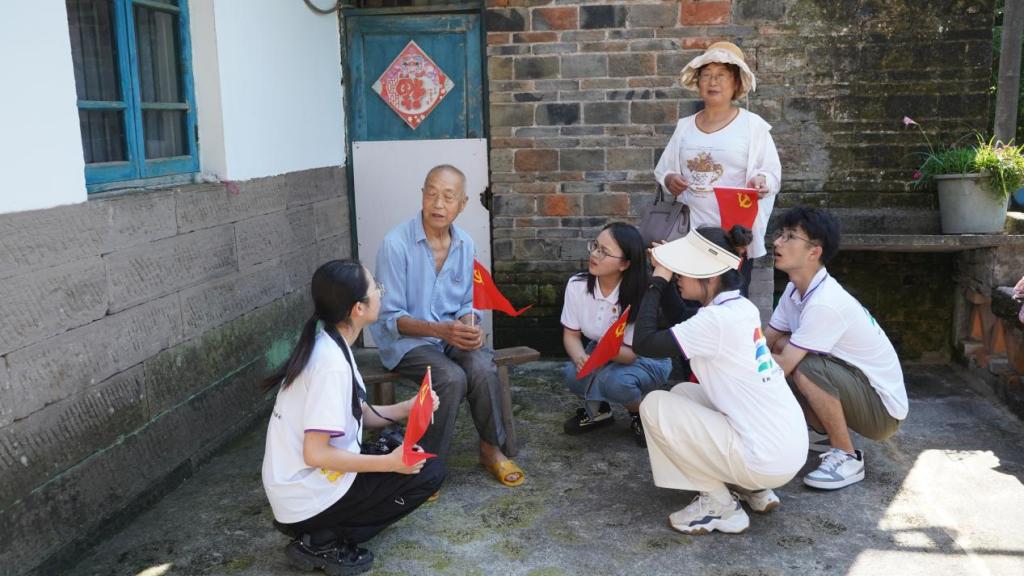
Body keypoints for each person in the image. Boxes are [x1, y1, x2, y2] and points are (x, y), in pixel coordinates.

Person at [261, 260, 444, 575]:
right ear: (359, 308)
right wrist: (390, 464)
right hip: (305, 498)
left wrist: (409, 407)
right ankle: (322, 540)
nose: (381, 294)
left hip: (302, 488)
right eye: (376, 288)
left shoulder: (331, 343)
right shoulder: (330, 364)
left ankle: (324, 528)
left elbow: (358, 413)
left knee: (407, 453)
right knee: (428, 473)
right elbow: (315, 453)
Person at [632, 226, 807, 535]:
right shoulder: (740, 307)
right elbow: (681, 321)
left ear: (709, 276)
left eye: (683, 271)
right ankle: (752, 488)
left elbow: (644, 342)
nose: (677, 277)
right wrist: (666, 275)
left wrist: (657, 281)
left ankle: (720, 505)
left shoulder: (715, 321)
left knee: (654, 405)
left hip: (764, 458)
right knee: (684, 392)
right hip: (784, 449)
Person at [369, 164, 525, 488]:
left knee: (482, 365)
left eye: (448, 197)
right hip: (405, 342)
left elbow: (468, 303)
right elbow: (389, 318)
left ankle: (490, 449)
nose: (438, 204)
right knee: (450, 377)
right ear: (422, 196)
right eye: (431, 194)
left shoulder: (464, 244)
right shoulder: (396, 244)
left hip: (447, 336)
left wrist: (470, 325)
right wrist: (441, 330)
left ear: (463, 204)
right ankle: (427, 464)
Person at [766, 207, 908, 490]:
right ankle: (821, 430)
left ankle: (846, 455)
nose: (777, 242)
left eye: (790, 237)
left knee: (804, 365)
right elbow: (767, 340)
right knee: (785, 350)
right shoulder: (794, 291)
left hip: (882, 413)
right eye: (780, 234)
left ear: (814, 252)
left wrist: (733, 357)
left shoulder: (825, 303)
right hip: (855, 384)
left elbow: (781, 366)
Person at [653, 41, 782, 295]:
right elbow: (663, 170)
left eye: (721, 75)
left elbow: (772, 173)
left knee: (727, 300)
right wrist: (670, 180)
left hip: (733, 236)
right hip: (690, 233)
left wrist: (762, 180)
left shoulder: (752, 126)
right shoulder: (685, 127)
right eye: (706, 75)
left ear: (736, 83)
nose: (713, 82)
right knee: (688, 298)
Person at [561, 222, 672, 446]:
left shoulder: (640, 295)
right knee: (573, 374)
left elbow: (630, 355)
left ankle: (640, 415)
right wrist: (581, 358)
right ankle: (600, 411)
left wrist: (601, 355)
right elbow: (571, 335)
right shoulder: (577, 285)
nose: (595, 255)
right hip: (604, 349)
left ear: (625, 264)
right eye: (595, 246)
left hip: (644, 355)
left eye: (604, 251)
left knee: (614, 382)